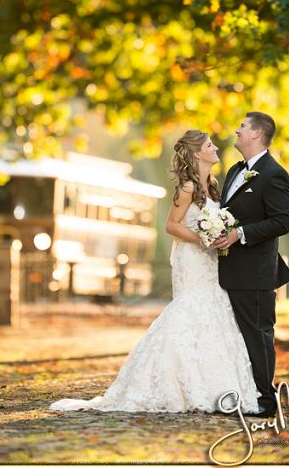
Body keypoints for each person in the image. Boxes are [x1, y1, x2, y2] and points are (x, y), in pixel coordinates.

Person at [50, 130, 259, 413]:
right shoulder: (187, 188)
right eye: (210, 145)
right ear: (198, 153)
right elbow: (172, 225)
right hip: (193, 257)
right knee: (189, 308)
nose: (215, 149)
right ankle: (173, 382)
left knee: (213, 310)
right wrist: (203, 237)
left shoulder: (211, 185)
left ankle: (215, 384)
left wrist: (219, 231)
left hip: (210, 261)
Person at [214, 112, 289, 418]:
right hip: (230, 271)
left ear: (257, 133)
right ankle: (244, 392)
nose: (237, 129)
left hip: (256, 272)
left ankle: (265, 398)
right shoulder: (235, 170)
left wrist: (240, 234)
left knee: (258, 335)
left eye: (243, 126)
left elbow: (282, 220)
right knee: (237, 335)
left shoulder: (274, 174)